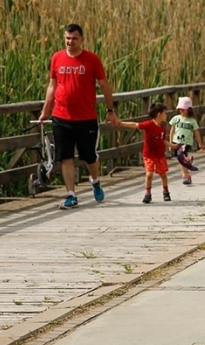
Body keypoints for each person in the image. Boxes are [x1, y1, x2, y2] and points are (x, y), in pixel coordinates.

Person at [38, 23, 119, 210]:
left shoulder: (91, 60)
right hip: (61, 116)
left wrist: (110, 110)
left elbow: (105, 86)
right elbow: (52, 86)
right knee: (65, 156)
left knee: (89, 157)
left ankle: (95, 180)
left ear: (81, 39)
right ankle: (71, 195)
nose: (70, 42)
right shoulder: (57, 58)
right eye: (67, 38)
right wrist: (45, 110)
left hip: (85, 117)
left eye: (74, 38)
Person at [118, 103, 179, 203]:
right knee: (149, 174)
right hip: (149, 155)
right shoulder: (149, 125)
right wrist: (122, 123)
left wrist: (172, 145)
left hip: (160, 155)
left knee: (163, 174)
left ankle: (166, 191)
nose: (166, 115)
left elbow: (162, 140)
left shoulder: (163, 128)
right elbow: (136, 125)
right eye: (165, 113)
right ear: (159, 114)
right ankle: (148, 193)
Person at [169, 97, 204, 184]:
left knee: (180, 155)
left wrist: (200, 143)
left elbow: (196, 133)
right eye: (180, 109)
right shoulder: (176, 118)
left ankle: (186, 175)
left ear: (189, 109)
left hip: (186, 142)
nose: (181, 111)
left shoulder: (192, 121)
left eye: (183, 109)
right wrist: (170, 143)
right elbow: (172, 130)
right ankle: (187, 164)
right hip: (176, 141)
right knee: (179, 157)